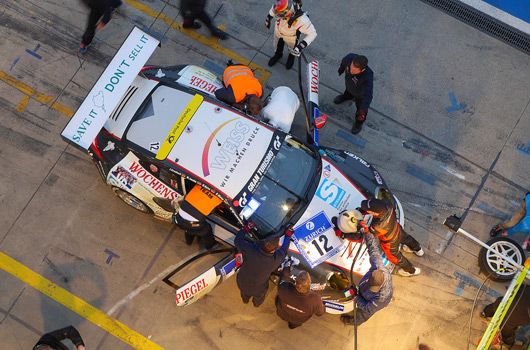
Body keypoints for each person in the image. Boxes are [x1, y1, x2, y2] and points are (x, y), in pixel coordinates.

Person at [339, 228, 393, 326]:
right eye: (371, 285)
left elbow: (367, 307)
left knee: (363, 314)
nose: (372, 288)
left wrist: (355, 297)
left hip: (372, 302)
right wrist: (368, 234)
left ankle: (354, 322)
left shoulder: (381, 298)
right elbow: (373, 250)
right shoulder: (377, 266)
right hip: (363, 292)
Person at [359, 199, 424, 277]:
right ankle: (418, 250)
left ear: (373, 212)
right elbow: (375, 206)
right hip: (396, 228)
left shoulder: (378, 226)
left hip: (390, 242)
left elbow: (366, 237)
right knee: (407, 238)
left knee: (395, 257)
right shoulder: (386, 203)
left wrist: (363, 229)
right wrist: (361, 211)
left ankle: (411, 271)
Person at [235, 226, 293, 307]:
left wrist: (245, 228)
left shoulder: (250, 249)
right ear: (273, 251)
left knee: (244, 293)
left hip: (242, 282)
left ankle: (245, 300)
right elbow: (284, 249)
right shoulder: (274, 261)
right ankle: (256, 304)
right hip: (259, 289)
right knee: (259, 298)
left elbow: (237, 241)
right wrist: (288, 236)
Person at [154, 184, 221, 250]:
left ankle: (189, 241)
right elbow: (210, 213)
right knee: (206, 229)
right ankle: (209, 246)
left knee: (189, 229)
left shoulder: (199, 186)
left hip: (179, 218)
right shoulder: (218, 198)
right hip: (193, 224)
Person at [265, 0, 317, 70]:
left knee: (292, 49)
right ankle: (278, 54)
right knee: (277, 44)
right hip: (278, 30)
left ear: (287, 13)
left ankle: (291, 57)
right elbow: (275, 8)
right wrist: (268, 19)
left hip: (291, 36)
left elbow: (312, 33)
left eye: (279, 13)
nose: (277, 14)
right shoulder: (282, 5)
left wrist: (301, 46)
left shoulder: (302, 20)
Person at [334, 53, 374, 134]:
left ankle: (359, 123)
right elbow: (343, 63)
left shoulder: (367, 76)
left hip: (360, 95)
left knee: (360, 112)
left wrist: (363, 109)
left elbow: (368, 95)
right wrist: (341, 68)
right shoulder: (350, 57)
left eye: (354, 71)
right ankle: (346, 97)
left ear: (362, 70)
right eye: (351, 68)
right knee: (348, 92)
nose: (351, 72)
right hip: (349, 86)